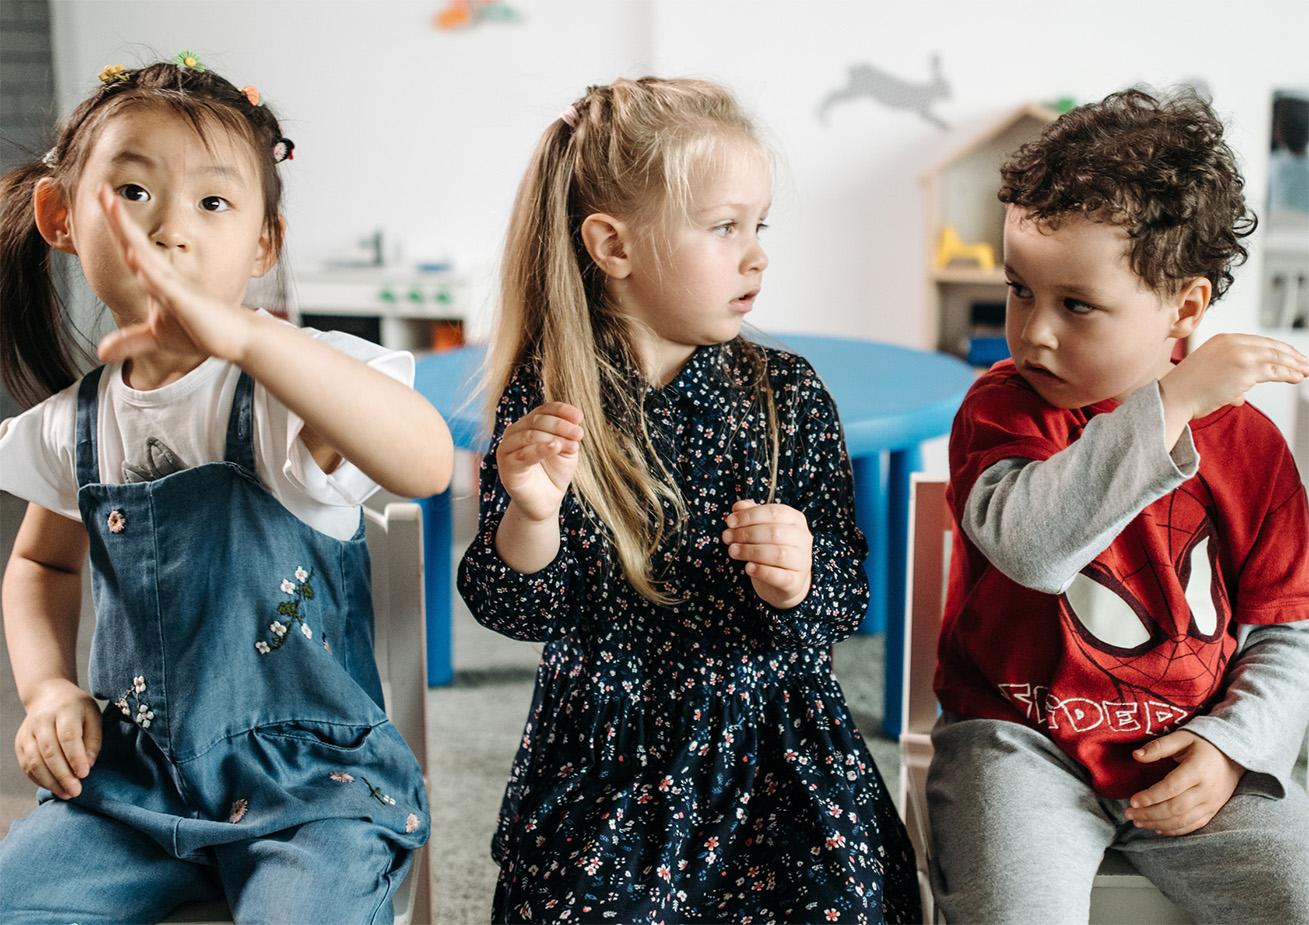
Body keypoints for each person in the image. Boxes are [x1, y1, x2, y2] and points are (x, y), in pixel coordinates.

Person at [457, 77, 920, 923]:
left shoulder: (788, 393)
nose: (756, 255)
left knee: (843, 905)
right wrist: (531, 515)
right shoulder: (549, 397)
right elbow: (510, 604)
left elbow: (847, 592)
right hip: (611, 756)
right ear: (613, 245)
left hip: (774, 748)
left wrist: (797, 580)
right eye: (723, 227)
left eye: (759, 225)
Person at [0, 57, 452, 923]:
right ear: (61, 216)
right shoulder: (75, 423)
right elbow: (40, 568)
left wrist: (249, 338)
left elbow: (427, 462)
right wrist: (50, 689)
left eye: (214, 203)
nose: (173, 229)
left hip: (312, 791)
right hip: (135, 784)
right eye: (133, 191)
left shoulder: (294, 389)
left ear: (262, 245)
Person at [931, 87, 1309, 924]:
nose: (1031, 332)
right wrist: (1168, 404)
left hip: (1189, 746)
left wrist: (1231, 747)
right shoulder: (999, 410)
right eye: (1019, 290)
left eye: (1075, 305)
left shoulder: (1250, 449)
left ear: (1183, 308)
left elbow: (1286, 631)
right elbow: (1031, 548)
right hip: (1017, 743)